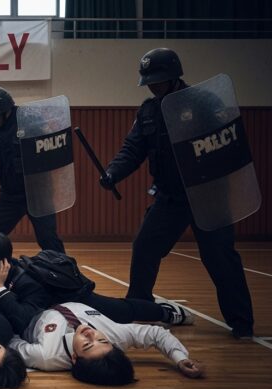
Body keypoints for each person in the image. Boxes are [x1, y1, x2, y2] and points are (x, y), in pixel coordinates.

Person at [99, 48, 254, 339]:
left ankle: (242, 323)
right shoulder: (148, 111)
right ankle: (139, 310)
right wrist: (113, 173)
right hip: (170, 197)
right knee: (145, 247)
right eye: (149, 82)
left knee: (220, 258)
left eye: (158, 80)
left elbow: (228, 145)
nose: (153, 86)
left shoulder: (205, 103)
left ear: (174, 76)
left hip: (209, 196)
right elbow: (133, 149)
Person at [0, 232, 193, 336]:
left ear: (2, 265)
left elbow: (24, 320)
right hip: (51, 305)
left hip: (74, 299)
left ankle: (165, 312)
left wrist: (0, 290)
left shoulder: (27, 284)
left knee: (121, 311)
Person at [0, 87, 65, 253]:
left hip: (38, 194)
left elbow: (51, 151)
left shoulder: (30, 121)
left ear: (5, 110)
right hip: (11, 196)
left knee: (48, 239)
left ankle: (63, 269)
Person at [10, 302, 204, 386]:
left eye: (87, 345)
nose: (90, 334)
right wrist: (180, 358)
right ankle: (167, 312)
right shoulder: (115, 337)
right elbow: (155, 333)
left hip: (33, 309)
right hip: (77, 300)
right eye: (101, 340)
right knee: (125, 308)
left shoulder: (47, 356)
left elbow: (13, 342)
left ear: (75, 358)